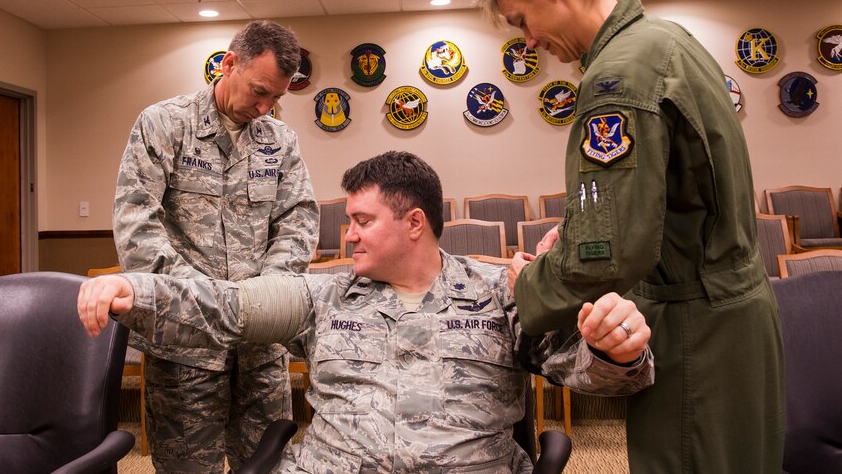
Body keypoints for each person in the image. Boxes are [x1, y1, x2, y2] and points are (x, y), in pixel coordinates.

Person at [82, 151, 655, 473]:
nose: (345, 234)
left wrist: (615, 346)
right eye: (348, 220)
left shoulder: (499, 291)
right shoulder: (323, 295)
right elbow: (229, 306)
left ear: (414, 224)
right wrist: (140, 291)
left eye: (362, 221)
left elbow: (583, 368)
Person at [469, 0, 785, 473]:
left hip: (696, 330)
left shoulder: (617, 77)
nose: (530, 40)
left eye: (522, 20)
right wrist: (576, 231)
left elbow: (609, 252)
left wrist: (528, 284)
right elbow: (661, 200)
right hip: (735, 319)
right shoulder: (667, 41)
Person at [113, 19, 319, 473]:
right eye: (259, 91)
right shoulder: (164, 124)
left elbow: (298, 222)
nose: (265, 108)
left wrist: (265, 296)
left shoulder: (280, 142)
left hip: (260, 347)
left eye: (277, 98)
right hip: (186, 343)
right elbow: (136, 226)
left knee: (269, 463)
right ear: (228, 64)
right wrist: (207, 303)